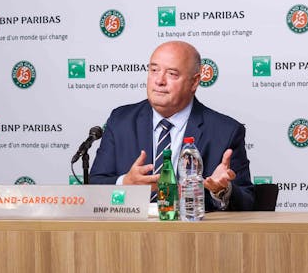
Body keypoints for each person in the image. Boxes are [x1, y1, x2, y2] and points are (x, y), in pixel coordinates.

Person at [90, 40, 254, 211]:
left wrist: (223, 191)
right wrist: (125, 183)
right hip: (131, 234)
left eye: (172, 74)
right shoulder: (121, 120)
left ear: (194, 82)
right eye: (154, 70)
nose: (159, 81)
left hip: (193, 234)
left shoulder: (225, 131)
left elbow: (248, 202)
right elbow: (95, 186)